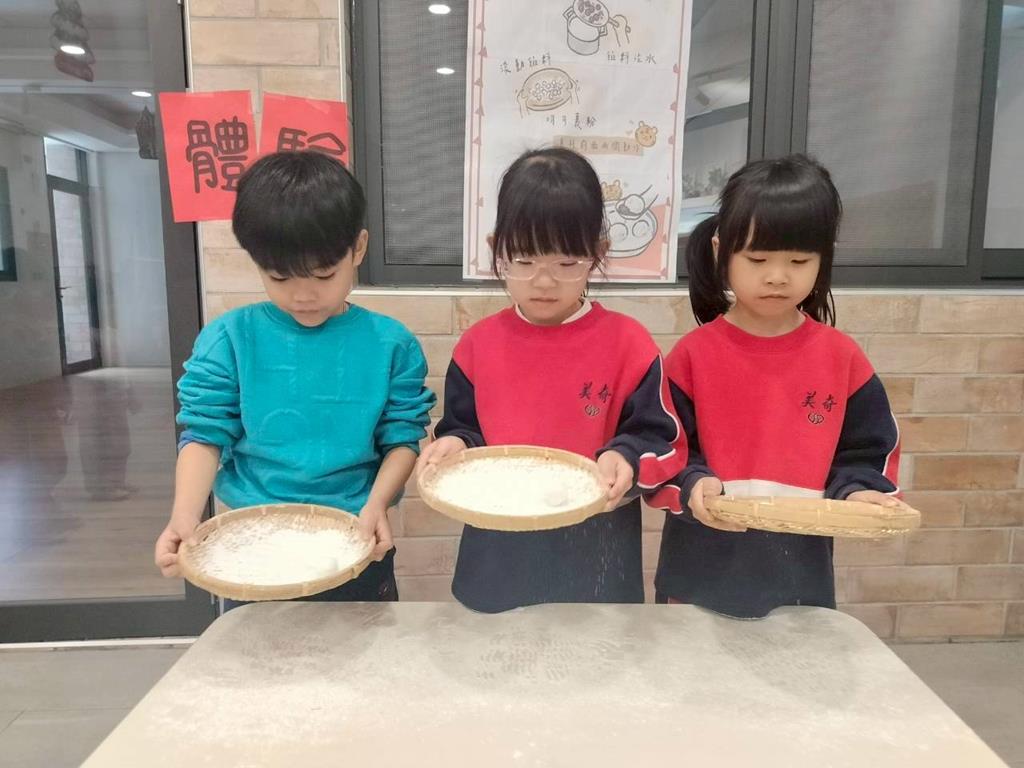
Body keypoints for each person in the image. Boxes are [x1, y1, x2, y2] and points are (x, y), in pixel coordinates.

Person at [154, 151, 435, 605]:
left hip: (356, 537)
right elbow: (204, 434)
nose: (303, 295)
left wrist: (377, 504)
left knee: (364, 646)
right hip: (253, 545)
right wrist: (184, 516)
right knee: (258, 651)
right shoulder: (229, 339)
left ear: (358, 248)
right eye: (280, 277)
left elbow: (402, 439)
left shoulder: (391, 344)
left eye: (324, 275)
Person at [417, 147, 686, 613]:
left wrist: (624, 457)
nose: (544, 282)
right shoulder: (478, 345)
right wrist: (454, 445)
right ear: (496, 249)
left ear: (597, 254)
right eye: (523, 261)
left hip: (595, 559)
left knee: (595, 653)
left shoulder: (629, 345)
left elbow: (660, 440)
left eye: (566, 264)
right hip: (496, 557)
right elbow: (464, 428)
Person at [650, 154, 906, 618]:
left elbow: (867, 453)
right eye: (758, 259)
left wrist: (860, 491)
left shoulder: (842, 358)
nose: (777, 276)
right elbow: (665, 450)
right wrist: (692, 482)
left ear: (823, 259)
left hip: (800, 579)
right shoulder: (692, 356)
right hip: (698, 575)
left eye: (798, 260)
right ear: (720, 251)